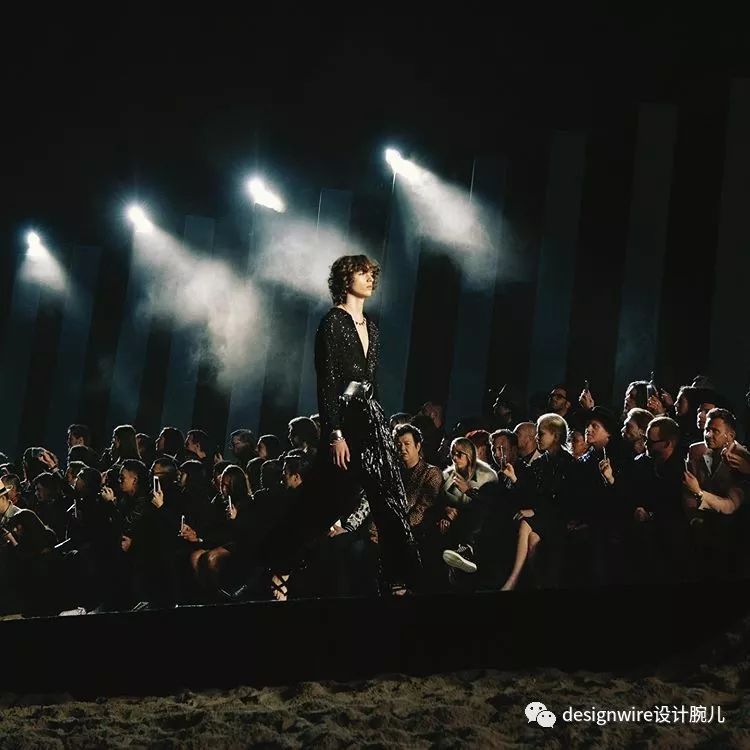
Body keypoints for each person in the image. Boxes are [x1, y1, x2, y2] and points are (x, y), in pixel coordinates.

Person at [306, 254, 420, 594]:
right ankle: (283, 569)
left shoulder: (372, 327)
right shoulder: (333, 322)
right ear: (345, 279)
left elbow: (371, 384)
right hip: (346, 422)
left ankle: (398, 578)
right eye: (362, 273)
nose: (370, 278)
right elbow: (327, 384)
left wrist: (380, 420)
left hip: (371, 418)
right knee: (327, 495)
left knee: (390, 498)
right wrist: (335, 433)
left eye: (372, 273)